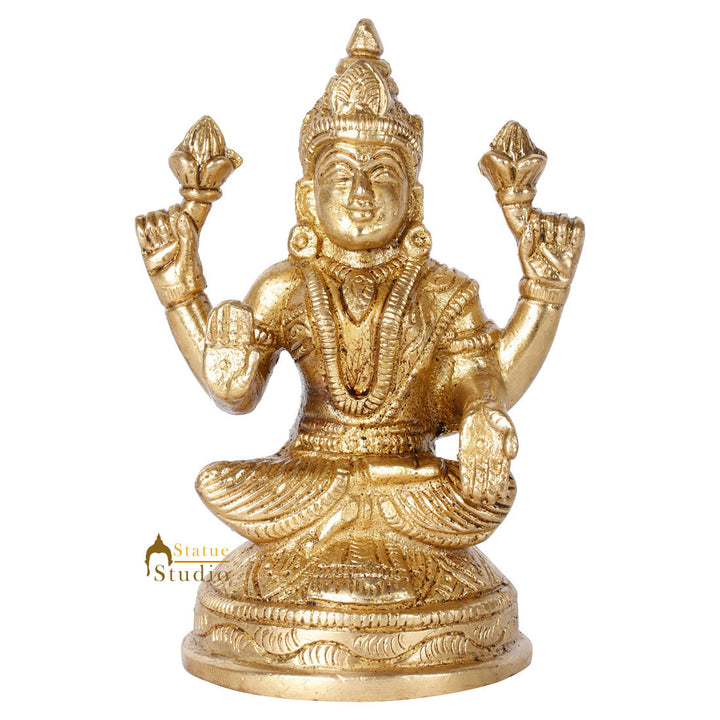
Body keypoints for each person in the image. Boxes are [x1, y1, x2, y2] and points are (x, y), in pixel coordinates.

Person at [136, 19, 582, 684]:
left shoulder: (443, 291)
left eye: (383, 175)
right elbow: (235, 391)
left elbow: (481, 383)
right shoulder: (286, 286)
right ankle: (368, 549)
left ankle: (340, 549)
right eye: (342, 176)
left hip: (412, 478)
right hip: (307, 476)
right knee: (220, 482)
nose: (364, 196)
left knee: (486, 490)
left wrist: (540, 303)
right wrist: (182, 291)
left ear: (415, 197)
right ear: (306, 197)